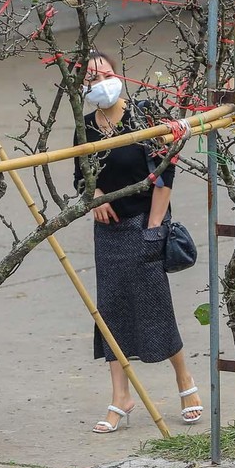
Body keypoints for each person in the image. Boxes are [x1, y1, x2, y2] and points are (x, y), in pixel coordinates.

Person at [73, 51, 203, 433]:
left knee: (155, 308)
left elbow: (165, 174)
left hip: (143, 223)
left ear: (118, 75)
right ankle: (120, 397)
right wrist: (95, 198)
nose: (101, 83)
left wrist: (154, 226)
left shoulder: (143, 115)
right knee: (110, 313)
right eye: (92, 79)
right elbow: (81, 175)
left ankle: (185, 382)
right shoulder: (86, 128)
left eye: (106, 74)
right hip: (108, 233)